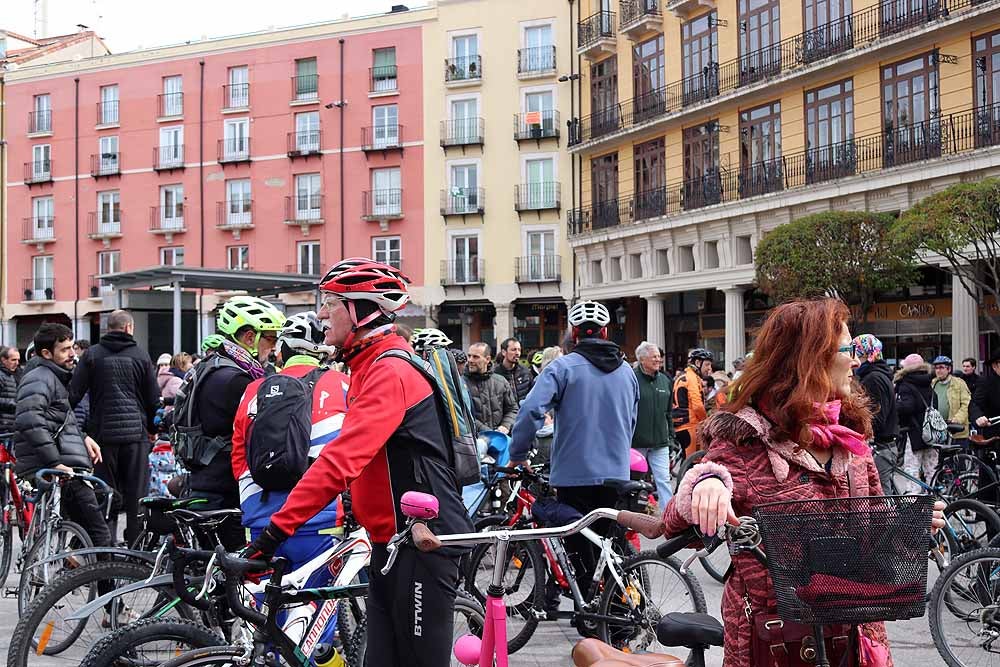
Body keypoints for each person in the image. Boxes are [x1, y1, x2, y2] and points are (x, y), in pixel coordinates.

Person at [664, 299, 945, 666]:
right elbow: (673, 518)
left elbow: (872, 535)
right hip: (777, 641)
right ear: (810, 357)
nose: (857, 361)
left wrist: (909, 529)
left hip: (856, 637)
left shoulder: (851, 439)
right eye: (848, 349)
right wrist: (708, 482)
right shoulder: (746, 439)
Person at [245, 258, 473, 667]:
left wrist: (274, 532)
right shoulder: (367, 367)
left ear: (361, 311)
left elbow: (341, 461)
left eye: (330, 302)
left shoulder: (390, 372)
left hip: (424, 542)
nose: (319, 313)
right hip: (392, 543)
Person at [510, 300, 638, 610]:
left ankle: (594, 616)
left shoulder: (563, 367)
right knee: (611, 548)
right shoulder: (627, 372)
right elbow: (631, 421)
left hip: (574, 475)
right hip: (617, 474)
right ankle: (619, 612)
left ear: (574, 333)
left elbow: (530, 412)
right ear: (606, 332)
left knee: (580, 550)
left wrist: (517, 453)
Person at [231, 312, 347, 563]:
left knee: (260, 599)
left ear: (282, 351)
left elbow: (238, 454)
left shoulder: (254, 389)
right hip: (321, 517)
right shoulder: (343, 384)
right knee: (318, 598)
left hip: (260, 517)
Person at [182, 296, 285, 527]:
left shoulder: (213, 365)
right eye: (271, 338)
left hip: (206, 480)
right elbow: (263, 430)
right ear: (250, 337)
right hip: (225, 487)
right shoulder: (236, 380)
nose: (274, 346)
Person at [14, 324, 111, 552]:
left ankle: (73, 565)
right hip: (57, 468)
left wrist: (83, 437)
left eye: (72, 348)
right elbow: (30, 421)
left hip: (59, 465)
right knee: (100, 534)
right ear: (46, 354)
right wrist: (55, 462)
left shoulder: (51, 376)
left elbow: (58, 420)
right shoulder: (41, 378)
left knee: (107, 504)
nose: (72, 354)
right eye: (65, 349)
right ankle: (106, 586)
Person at [70, 310, 160, 545]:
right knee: (136, 497)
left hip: (102, 438)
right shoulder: (141, 356)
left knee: (106, 494)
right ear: (129, 328)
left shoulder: (92, 355)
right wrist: (152, 427)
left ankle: (105, 548)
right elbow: (153, 400)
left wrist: (78, 430)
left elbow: (73, 394)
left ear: (108, 329)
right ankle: (134, 548)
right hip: (135, 437)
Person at [852, 334, 899, 495]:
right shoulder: (878, 375)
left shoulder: (873, 378)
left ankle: (888, 521)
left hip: (880, 446)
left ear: (867, 355)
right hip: (884, 445)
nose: (854, 360)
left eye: (856, 354)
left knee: (880, 496)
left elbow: (876, 416)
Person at [631, 341, 675, 512]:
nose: (658, 359)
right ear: (642, 359)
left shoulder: (665, 380)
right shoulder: (631, 378)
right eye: (654, 356)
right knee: (635, 481)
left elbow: (668, 413)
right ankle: (634, 514)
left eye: (659, 356)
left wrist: (670, 437)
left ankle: (669, 516)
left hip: (660, 442)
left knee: (663, 479)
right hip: (636, 442)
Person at [895, 353, 936, 494]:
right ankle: (936, 502)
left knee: (912, 470)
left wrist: (894, 406)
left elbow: (908, 406)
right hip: (931, 434)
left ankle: (914, 504)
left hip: (914, 433)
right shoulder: (929, 382)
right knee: (931, 470)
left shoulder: (906, 384)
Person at [464, 343, 518, 434]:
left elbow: (512, 409)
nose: (470, 360)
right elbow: (463, 414)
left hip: (501, 440)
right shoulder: (461, 383)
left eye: (475, 357)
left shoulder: (501, 382)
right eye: (469, 356)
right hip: (474, 441)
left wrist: (505, 426)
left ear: (487, 359)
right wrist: (488, 432)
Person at [672, 348, 714, 457]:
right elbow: (698, 406)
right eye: (707, 365)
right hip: (690, 425)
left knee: (686, 461)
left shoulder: (685, 376)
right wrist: (706, 421)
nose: (709, 368)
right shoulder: (692, 379)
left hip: (681, 424)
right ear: (697, 363)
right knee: (692, 462)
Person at [931, 355, 972, 446]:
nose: (938, 370)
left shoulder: (959, 383)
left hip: (956, 432)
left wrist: (957, 419)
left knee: (958, 458)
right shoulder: (933, 383)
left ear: (949, 369)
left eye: (941, 367)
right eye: (936, 368)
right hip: (938, 431)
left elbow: (966, 404)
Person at [494, 337, 533, 403]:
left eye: (519, 350)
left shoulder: (525, 372)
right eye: (513, 350)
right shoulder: (495, 374)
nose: (517, 353)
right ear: (504, 352)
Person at [972, 349, 1000, 438]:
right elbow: (974, 404)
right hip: (995, 434)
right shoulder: (987, 383)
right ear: (995, 366)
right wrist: (979, 417)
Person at [0, 345, 21, 433]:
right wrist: (13, 403)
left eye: (18, 360)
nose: (17, 363)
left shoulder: (10, 375)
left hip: (9, 426)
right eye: (13, 360)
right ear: (3, 360)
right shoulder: (1, 375)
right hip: (3, 427)